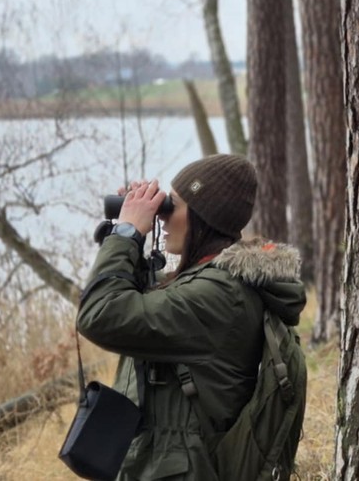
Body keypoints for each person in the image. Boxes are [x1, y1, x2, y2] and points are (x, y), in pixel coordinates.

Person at [77, 154, 306, 480]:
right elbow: (144, 311)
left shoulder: (217, 295)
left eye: (173, 205)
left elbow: (100, 315)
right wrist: (133, 247)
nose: (164, 217)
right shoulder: (211, 283)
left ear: (202, 218)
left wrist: (127, 234)